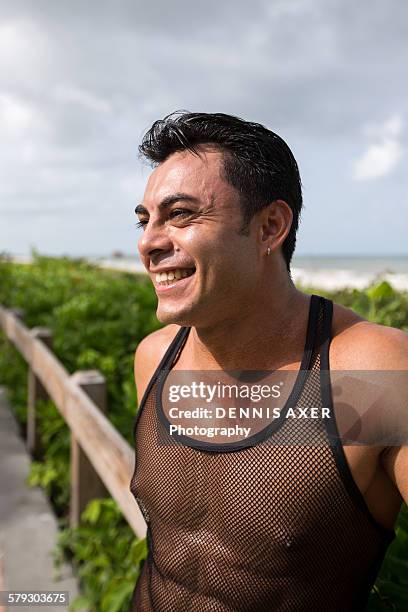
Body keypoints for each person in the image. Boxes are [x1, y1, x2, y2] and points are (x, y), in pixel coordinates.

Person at [129, 111, 408, 611]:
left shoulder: (371, 372)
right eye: (145, 219)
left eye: (181, 214)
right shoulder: (155, 358)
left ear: (270, 227)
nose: (148, 242)